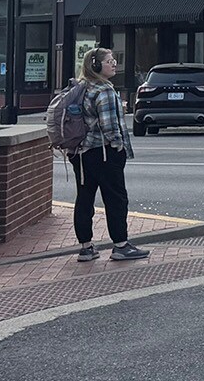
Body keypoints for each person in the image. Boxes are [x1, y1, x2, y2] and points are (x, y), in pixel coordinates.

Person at [69, 47, 149, 262]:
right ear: (96, 65)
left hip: (81, 153)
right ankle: (121, 245)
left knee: (84, 199)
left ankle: (86, 248)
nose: (114, 64)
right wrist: (118, 145)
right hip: (103, 153)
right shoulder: (103, 90)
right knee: (116, 199)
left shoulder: (81, 87)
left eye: (114, 60)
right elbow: (109, 126)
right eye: (109, 61)